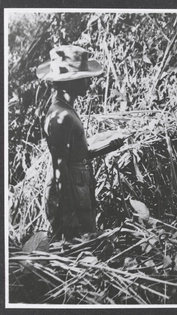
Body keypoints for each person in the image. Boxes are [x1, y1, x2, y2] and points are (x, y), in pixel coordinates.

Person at [37, 45, 124, 241]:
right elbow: (60, 167)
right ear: (70, 81)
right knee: (78, 248)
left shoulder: (66, 109)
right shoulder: (61, 116)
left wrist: (107, 144)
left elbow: (75, 153)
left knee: (86, 243)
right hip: (71, 193)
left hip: (79, 188)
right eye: (85, 78)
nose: (90, 83)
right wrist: (69, 216)